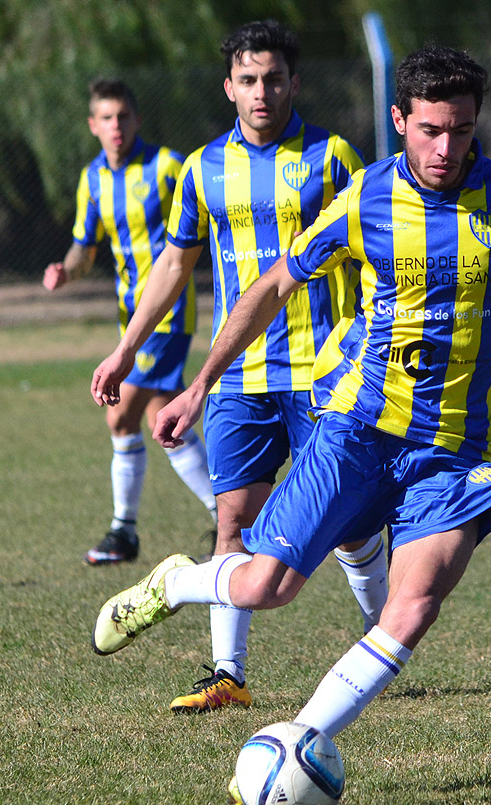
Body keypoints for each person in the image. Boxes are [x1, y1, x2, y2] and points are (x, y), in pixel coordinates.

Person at [89, 45, 491, 791]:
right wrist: (198, 384)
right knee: (266, 587)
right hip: (357, 430)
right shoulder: (367, 198)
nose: (447, 148)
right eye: (432, 130)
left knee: (414, 606)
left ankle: (300, 742)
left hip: (450, 452)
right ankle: (179, 583)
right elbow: (275, 282)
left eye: (463, 131)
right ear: (401, 120)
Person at [88, 21, 388, 715]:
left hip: (327, 372)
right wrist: (126, 348)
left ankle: (381, 639)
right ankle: (229, 673)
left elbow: (377, 242)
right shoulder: (201, 169)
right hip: (240, 378)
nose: (262, 92)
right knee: (233, 522)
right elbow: (173, 265)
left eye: (274, 78)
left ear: (295, 82)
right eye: (248, 80)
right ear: (228, 87)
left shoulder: (333, 156)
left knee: (348, 524)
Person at [44, 78, 216, 566]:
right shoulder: (92, 178)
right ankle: (228, 515)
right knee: (163, 422)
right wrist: (67, 270)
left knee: (120, 415)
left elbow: (203, 221)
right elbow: (85, 246)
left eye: (123, 116)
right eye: (106, 117)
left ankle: (124, 531)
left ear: (136, 120)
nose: (116, 126)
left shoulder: (166, 166)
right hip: (130, 320)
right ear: (93, 125)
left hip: (168, 315)